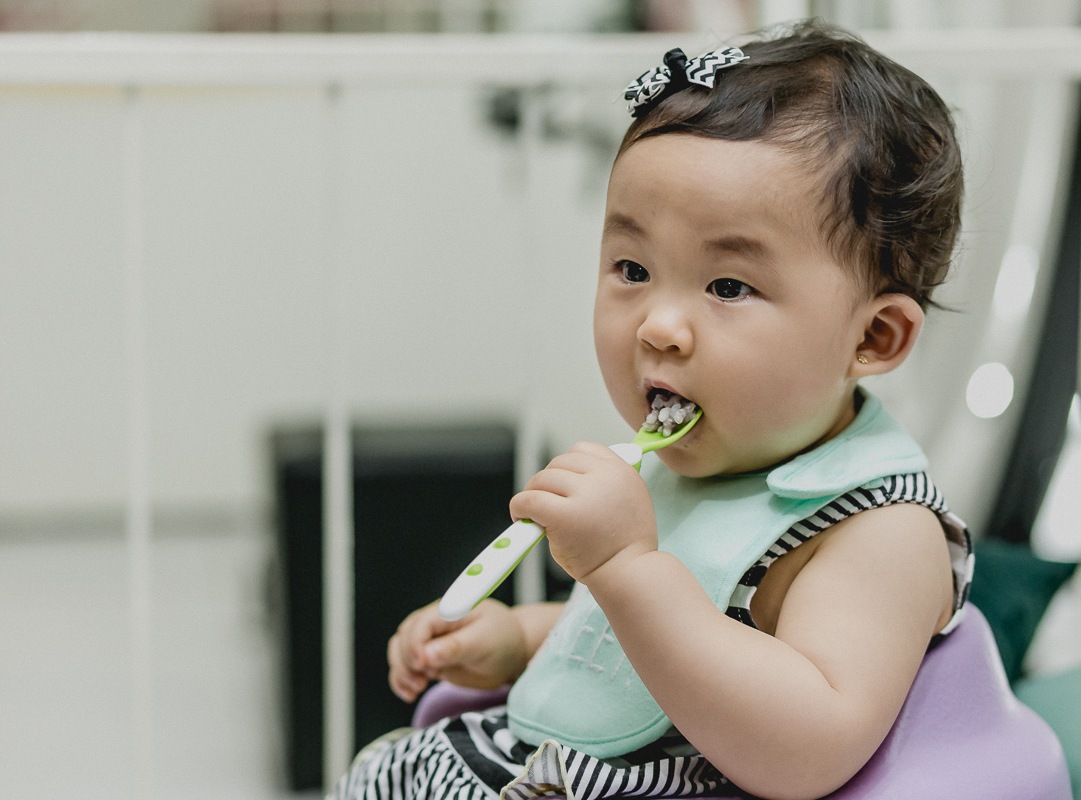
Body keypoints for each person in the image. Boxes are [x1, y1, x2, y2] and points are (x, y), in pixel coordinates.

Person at [336, 21, 973, 800]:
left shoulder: (876, 529)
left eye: (728, 286)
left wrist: (629, 568)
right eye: (633, 268)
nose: (658, 326)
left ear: (872, 336)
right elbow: (617, 653)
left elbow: (810, 744)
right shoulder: (698, 460)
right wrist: (515, 641)